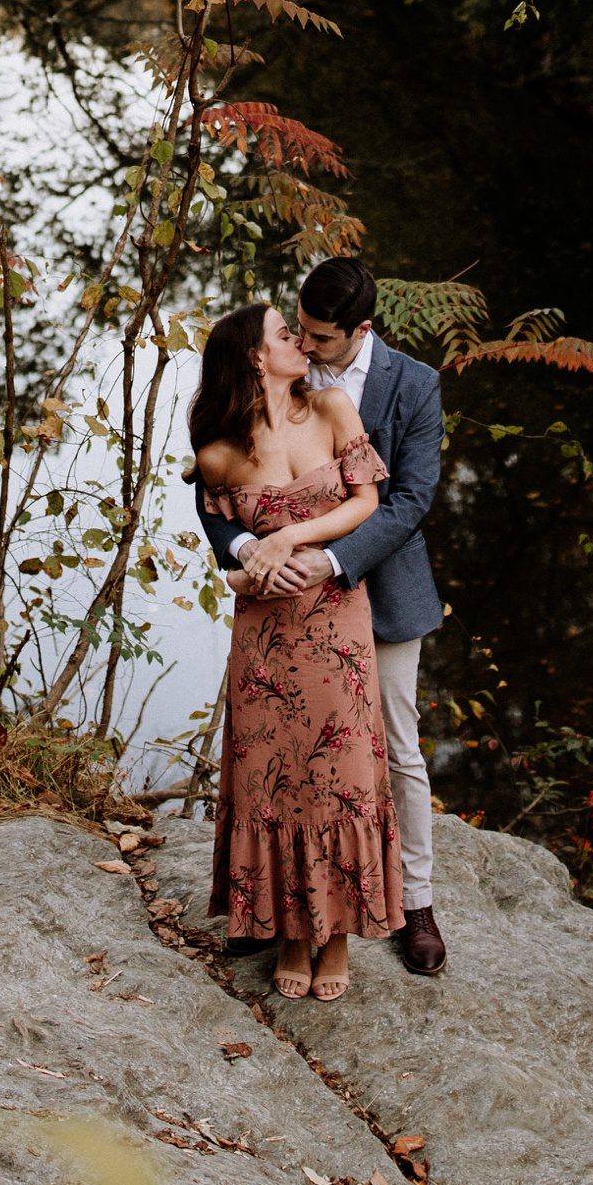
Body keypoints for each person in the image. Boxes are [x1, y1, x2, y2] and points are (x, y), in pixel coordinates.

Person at [197, 255, 448, 978]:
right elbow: (217, 487)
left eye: (319, 337)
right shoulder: (274, 387)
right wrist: (251, 546)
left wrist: (330, 560)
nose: (304, 346)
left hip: (379, 588)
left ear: (360, 330)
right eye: (295, 330)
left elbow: (407, 500)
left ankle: (415, 902)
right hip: (279, 601)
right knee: (274, 753)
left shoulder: (414, 385)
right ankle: (272, 903)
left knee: (393, 749)